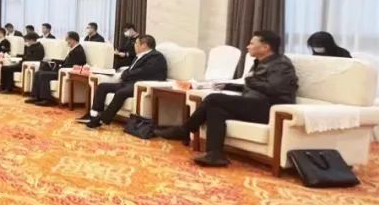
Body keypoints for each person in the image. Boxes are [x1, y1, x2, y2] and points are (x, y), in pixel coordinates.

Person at [157, 30, 298, 167]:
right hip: (253, 103)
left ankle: (185, 129)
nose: (247, 46)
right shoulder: (259, 63)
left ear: (265, 47)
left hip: (268, 108)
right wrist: (229, 86)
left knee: (213, 99)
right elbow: (254, 86)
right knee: (216, 110)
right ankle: (215, 154)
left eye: (251, 43)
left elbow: (275, 89)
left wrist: (250, 81)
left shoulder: (281, 64)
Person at [81, 34, 167, 128]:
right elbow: (131, 69)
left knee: (121, 93)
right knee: (102, 86)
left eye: (136, 43)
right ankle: (94, 114)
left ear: (144, 45)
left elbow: (144, 72)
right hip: (129, 83)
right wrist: (124, 74)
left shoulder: (156, 57)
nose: (134, 45)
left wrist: (125, 75)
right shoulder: (140, 56)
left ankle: (103, 119)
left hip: (140, 84)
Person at [27, 31, 87, 105]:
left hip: (66, 73)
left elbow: (72, 65)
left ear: (72, 39)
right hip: (62, 70)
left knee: (43, 75)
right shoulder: (74, 49)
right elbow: (66, 62)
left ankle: (47, 99)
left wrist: (58, 67)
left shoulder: (78, 50)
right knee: (37, 73)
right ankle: (35, 96)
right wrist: (53, 61)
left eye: (67, 39)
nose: (66, 42)